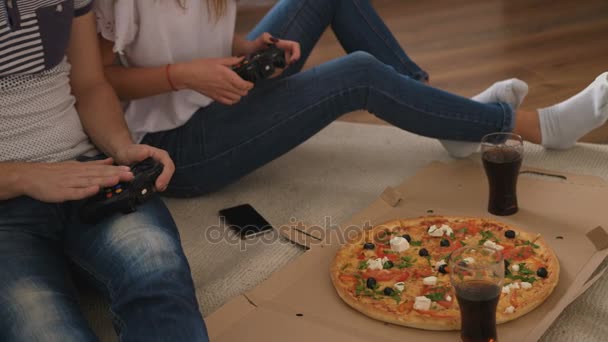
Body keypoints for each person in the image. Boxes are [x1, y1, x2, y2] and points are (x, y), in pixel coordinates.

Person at [94, 0, 608, 197]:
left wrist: (246, 49)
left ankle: (448, 121)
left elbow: (191, 32)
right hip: (172, 147)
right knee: (357, 75)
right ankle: (533, 126)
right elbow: (98, 82)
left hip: (214, 90)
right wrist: (183, 75)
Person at [0, 1, 208, 341]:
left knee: (157, 266)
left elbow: (89, 84)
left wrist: (121, 147)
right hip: (7, 200)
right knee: (42, 326)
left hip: (87, 168)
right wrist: (24, 175)